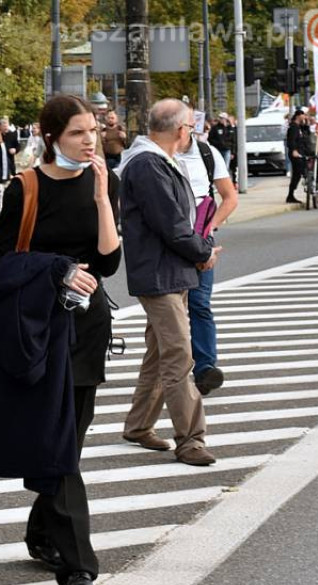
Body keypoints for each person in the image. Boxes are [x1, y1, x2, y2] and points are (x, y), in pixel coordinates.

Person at [0, 94, 121, 585]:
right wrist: (56, 269)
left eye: (94, 132)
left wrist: (104, 198)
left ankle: (42, 534)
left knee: (70, 444)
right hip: (38, 328)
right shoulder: (26, 188)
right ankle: (78, 568)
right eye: (78, 133)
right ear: (51, 137)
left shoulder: (105, 181)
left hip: (86, 329)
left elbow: (107, 265)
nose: (90, 141)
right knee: (59, 447)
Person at [116, 98, 219, 467]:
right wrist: (201, 251)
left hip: (165, 269)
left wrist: (197, 249)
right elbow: (172, 225)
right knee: (179, 354)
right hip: (160, 272)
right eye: (191, 127)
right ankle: (190, 440)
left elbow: (174, 223)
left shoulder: (153, 161)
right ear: (180, 130)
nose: (192, 133)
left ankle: (139, 425)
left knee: (159, 353)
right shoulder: (148, 164)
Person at [175, 127, 239, 397]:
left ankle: (205, 368)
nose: (185, 130)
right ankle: (165, 370)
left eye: (189, 125)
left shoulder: (207, 153)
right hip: (168, 242)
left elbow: (230, 196)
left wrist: (209, 229)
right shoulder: (153, 155)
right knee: (168, 310)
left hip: (201, 238)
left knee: (199, 303)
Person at [286, 110, 312, 204]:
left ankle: (291, 195)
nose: (305, 116)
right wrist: (294, 150)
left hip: (302, 152)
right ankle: (292, 194)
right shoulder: (293, 127)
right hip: (296, 153)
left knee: (297, 175)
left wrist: (307, 124)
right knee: (300, 171)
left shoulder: (300, 127)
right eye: (303, 115)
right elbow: (291, 140)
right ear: (298, 116)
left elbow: (307, 135)